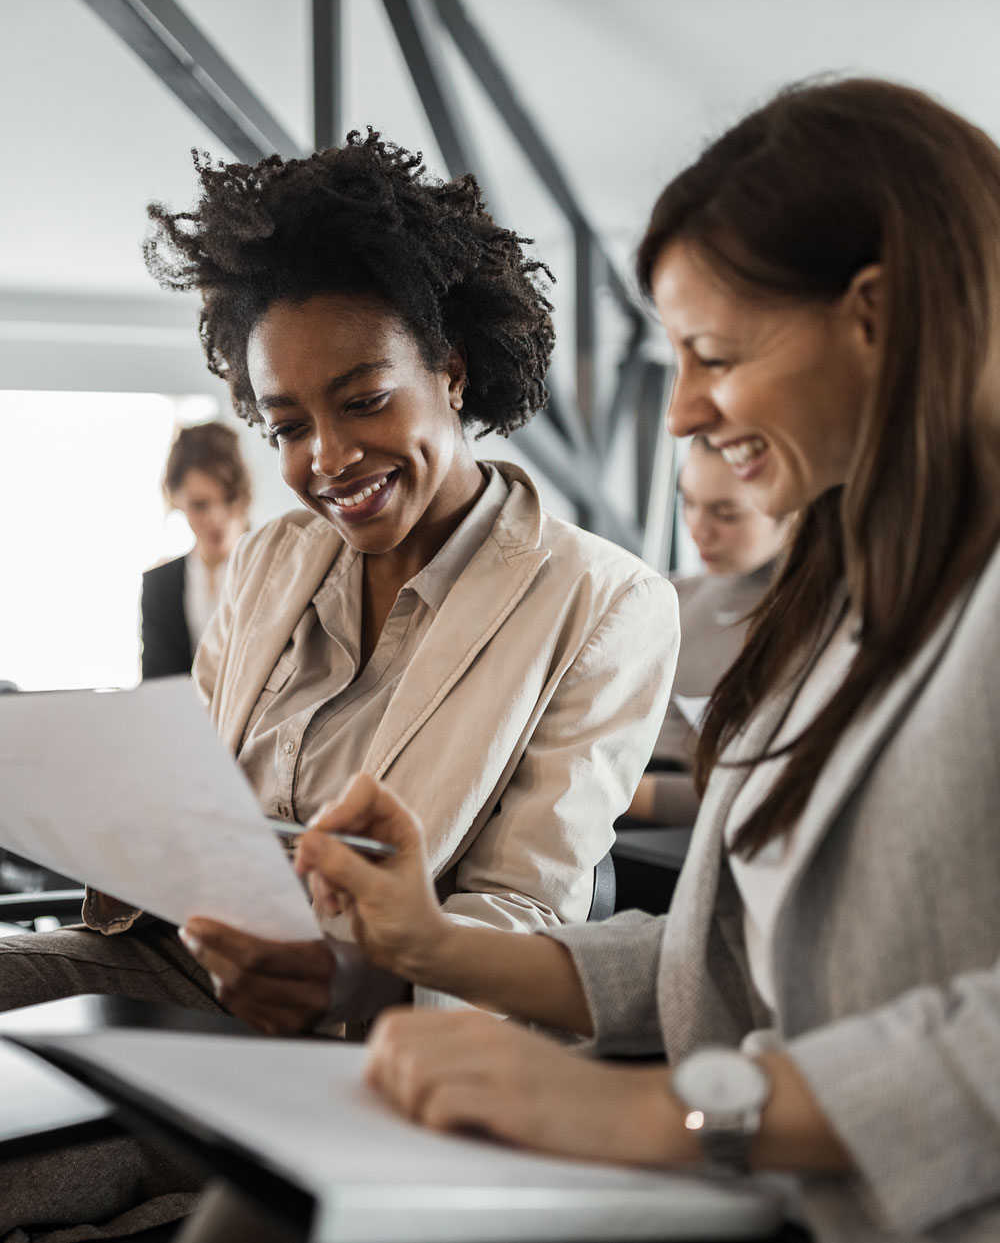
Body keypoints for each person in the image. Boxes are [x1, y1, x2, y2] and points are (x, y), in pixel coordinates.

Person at [288, 79, 1000, 1243]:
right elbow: (723, 957)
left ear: (879, 315)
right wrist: (434, 944)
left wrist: (663, 1114)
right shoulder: (836, 608)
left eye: (710, 353)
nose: (679, 415)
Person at [0, 132, 676, 1240]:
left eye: (363, 401)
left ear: (450, 374)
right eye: (289, 426)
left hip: (364, 1031)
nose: (325, 459)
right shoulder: (271, 559)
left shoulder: (602, 601)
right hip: (172, 964)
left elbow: (526, 904)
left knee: (44, 1161)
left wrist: (357, 983)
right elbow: (200, 811)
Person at [626, 435, 789, 826]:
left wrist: (605, 791)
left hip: (658, 834)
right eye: (689, 502)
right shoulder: (669, 594)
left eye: (727, 514)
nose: (699, 530)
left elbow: (767, 796)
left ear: (792, 510)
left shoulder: (807, 626)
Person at [141, 421, 251, 678]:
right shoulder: (159, 585)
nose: (216, 518)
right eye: (200, 505)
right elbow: (156, 684)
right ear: (176, 499)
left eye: (229, 499)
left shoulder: (278, 571)